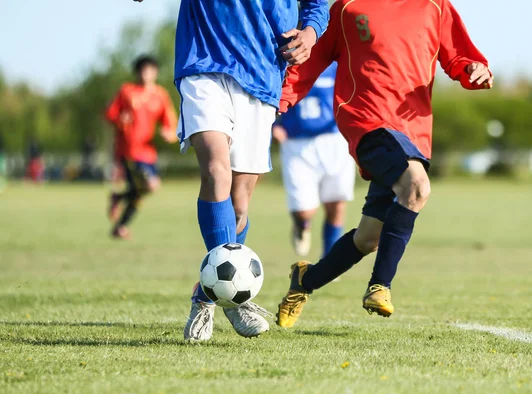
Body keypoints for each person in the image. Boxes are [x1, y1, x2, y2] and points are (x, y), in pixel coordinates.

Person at [275, 0, 493, 327]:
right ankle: (380, 286)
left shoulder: (435, 6)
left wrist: (475, 70)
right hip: (367, 122)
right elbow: (307, 65)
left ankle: (305, 280)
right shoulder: (347, 8)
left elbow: (459, 56)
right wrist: (274, 103)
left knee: (368, 237)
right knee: (417, 187)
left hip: (413, 134)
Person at [134, 0, 329, 341]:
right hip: (204, 63)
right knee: (216, 171)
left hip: (264, 70)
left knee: (239, 206)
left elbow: (318, 4)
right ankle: (234, 301)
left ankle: (206, 295)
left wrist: (311, 33)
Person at [272, 62, 355, 258]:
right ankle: (302, 226)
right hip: (296, 143)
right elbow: (270, 96)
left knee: (336, 203)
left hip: (334, 139)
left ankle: (331, 260)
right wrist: (273, 125)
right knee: (304, 211)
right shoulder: (285, 65)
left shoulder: (337, 65)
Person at [105, 55, 177, 239]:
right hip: (129, 151)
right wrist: (120, 120)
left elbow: (170, 122)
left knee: (140, 193)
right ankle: (119, 213)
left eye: (150, 69)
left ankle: (119, 219)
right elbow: (110, 114)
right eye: (143, 69)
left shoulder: (160, 95)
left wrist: (169, 134)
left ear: (155, 72)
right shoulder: (127, 91)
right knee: (150, 186)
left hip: (148, 153)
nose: (146, 73)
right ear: (137, 72)